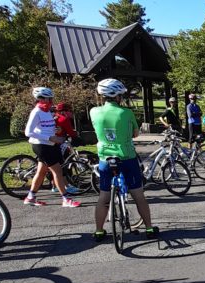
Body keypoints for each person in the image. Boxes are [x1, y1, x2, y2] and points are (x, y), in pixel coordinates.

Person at [90, 78, 157, 241]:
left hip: (106, 158)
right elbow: (135, 134)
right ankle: (149, 228)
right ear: (118, 96)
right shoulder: (126, 113)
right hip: (127, 157)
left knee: (104, 197)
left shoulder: (93, 111)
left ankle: (99, 231)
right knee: (138, 195)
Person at [23, 87, 80, 208]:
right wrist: (50, 138)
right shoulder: (36, 112)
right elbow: (28, 132)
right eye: (49, 98)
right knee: (57, 171)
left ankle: (30, 197)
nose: (52, 100)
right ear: (42, 99)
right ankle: (66, 199)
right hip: (42, 145)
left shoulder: (47, 111)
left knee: (41, 172)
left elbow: (46, 127)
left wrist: (56, 130)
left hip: (49, 145)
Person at [52, 102, 80, 194]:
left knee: (53, 165)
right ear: (64, 111)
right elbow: (71, 132)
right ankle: (66, 186)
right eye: (69, 111)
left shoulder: (53, 117)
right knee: (62, 164)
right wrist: (77, 137)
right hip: (59, 143)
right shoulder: (64, 119)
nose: (71, 113)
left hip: (49, 142)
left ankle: (54, 185)